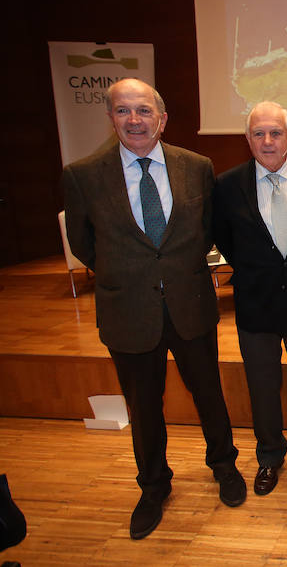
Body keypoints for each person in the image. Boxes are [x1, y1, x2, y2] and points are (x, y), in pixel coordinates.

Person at [62, 79, 245, 540]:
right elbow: (84, 244)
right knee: (143, 407)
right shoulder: (83, 175)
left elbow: (205, 232)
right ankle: (153, 486)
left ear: (162, 119)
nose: (134, 120)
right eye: (123, 111)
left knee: (209, 394)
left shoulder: (196, 167)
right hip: (129, 310)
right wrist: (130, 275)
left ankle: (224, 465)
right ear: (111, 118)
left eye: (144, 110)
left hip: (190, 303)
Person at [212, 102, 287, 496]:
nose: (267, 141)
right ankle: (269, 455)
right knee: (262, 387)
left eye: (275, 133)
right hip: (255, 304)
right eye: (259, 134)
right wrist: (258, 270)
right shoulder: (227, 185)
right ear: (247, 139)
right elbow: (225, 238)